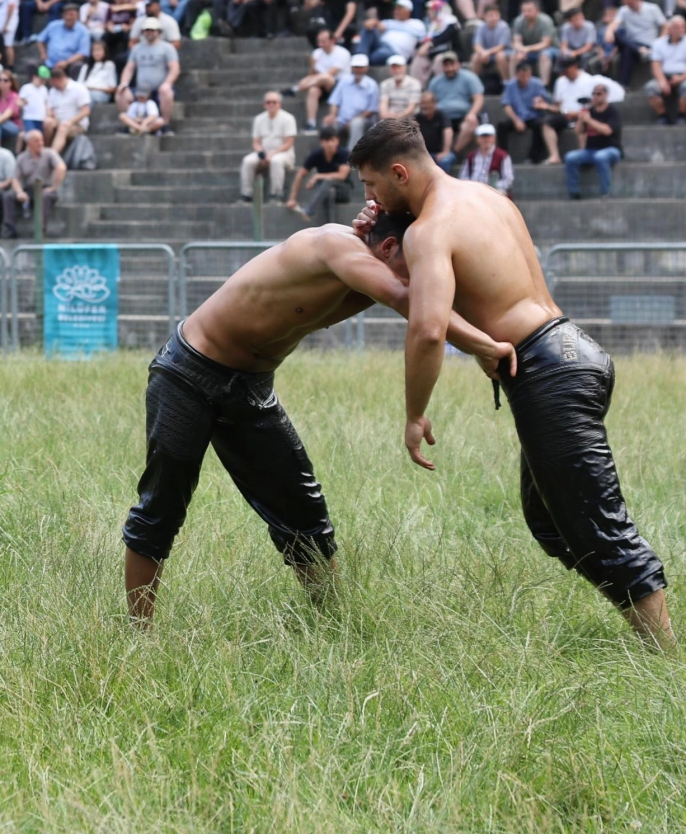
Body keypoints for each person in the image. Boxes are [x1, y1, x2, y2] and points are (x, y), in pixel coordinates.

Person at [351, 118, 671, 645]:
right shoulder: (488, 198)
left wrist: (414, 414)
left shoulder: (431, 229)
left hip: (551, 372)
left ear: (400, 173)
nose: (371, 198)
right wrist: (377, 235)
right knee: (550, 522)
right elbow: (478, 283)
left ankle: (666, 661)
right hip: (572, 352)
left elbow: (428, 330)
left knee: (597, 525)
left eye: (372, 185)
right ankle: (643, 628)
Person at [122, 210, 511, 626]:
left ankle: (330, 624)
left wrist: (488, 339)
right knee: (162, 505)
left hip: (251, 387)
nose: (426, 273)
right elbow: (412, 303)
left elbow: (440, 299)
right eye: (419, 261)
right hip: (189, 372)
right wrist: (486, 347)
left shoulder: (383, 266)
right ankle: (139, 632)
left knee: (303, 510)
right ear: (388, 247)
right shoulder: (336, 247)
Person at [563, 83, 622, 199]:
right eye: (594, 94)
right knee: (570, 158)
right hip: (590, 150)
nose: (595, 96)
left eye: (599, 93)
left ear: (606, 95)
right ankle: (574, 192)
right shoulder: (589, 112)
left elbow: (608, 131)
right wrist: (581, 119)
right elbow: (578, 131)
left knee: (601, 157)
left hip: (611, 149)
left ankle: (605, 192)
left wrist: (589, 121)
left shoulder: (612, 112)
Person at [286, 127, 352, 223]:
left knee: (328, 182)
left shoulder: (344, 154)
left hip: (343, 189)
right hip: (324, 191)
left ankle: (309, 211)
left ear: (337, 141)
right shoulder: (317, 155)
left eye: (332, 140)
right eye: (327, 141)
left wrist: (317, 176)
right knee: (328, 192)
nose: (330, 144)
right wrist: (292, 198)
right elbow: (300, 174)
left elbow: (342, 176)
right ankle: (330, 225)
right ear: (321, 142)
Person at [240, 92, 297, 203]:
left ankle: (276, 194)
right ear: (264, 104)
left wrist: (273, 153)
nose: (271, 105)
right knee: (247, 161)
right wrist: (261, 153)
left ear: (279, 104)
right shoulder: (258, 119)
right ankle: (246, 194)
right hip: (265, 152)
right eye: (268, 102)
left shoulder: (288, 118)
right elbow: (256, 142)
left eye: (274, 102)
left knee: (276, 161)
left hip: (284, 153)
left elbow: (289, 142)